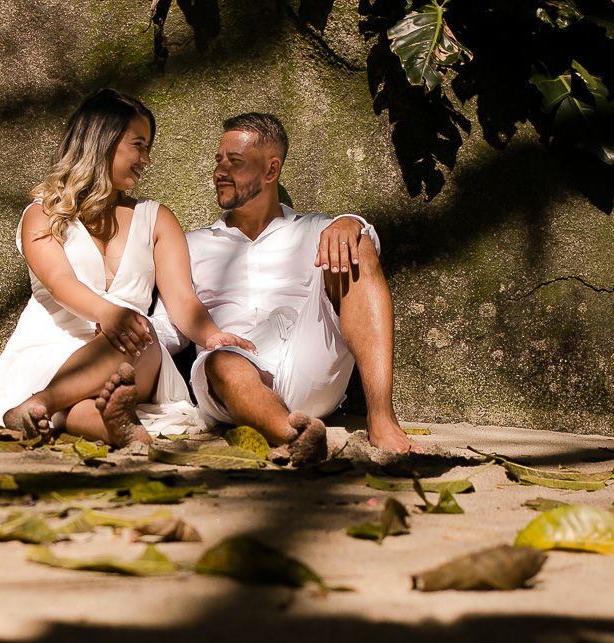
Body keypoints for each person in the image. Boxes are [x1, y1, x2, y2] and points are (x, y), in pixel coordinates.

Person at [0, 90, 251, 447]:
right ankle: (77, 412)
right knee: (109, 367)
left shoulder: (157, 218)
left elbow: (181, 298)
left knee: (138, 339)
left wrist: (213, 336)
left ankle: (53, 409)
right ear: (103, 143)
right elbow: (60, 282)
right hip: (49, 349)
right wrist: (106, 312)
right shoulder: (43, 214)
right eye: (138, 146)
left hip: (127, 348)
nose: (146, 159)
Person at [150, 112, 416, 463]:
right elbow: (171, 325)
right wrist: (126, 334)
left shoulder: (315, 229)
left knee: (354, 243)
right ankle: (292, 435)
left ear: (271, 170)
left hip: (309, 363)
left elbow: (365, 258)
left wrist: (353, 223)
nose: (220, 172)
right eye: (218, 160)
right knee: (224, 362)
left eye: (235, 162)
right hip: (231, 372)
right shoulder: (191, 244)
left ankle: (381, 417)